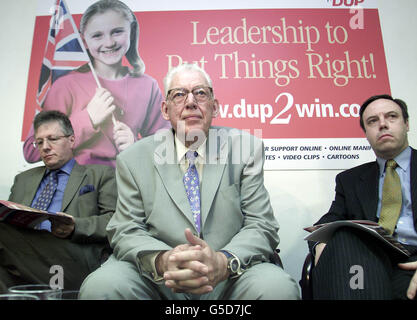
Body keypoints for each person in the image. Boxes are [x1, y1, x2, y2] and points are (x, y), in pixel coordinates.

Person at [79, 63, 299, 300]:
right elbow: (126, 228)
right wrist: (164, 261)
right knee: (101, 287)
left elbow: (261, 224)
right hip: (158, 279)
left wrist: (223, 261)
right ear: (165, 109)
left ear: (214, 107)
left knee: (278, 289)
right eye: (179, 94)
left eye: (201, 93)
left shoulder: (245, 149)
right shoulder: (133, 158)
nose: (191, 101)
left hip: (229, 277)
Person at [23, 0, 169, 167]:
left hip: (128, 183)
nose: (109, 43)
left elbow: (164, 148)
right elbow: (31, 150)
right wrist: (88, 118)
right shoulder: (66, 85)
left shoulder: (147, 85)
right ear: (84, 40)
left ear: (132, 31)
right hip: (79, 186)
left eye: (117, 32)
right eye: (97, 35)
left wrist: (137, 145)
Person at [309, 94, 417, 300]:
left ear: (407, 124)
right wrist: (320, 243)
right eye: (373, 121)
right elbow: (330, 220)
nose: (383, 124)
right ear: (366, 133)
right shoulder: (349, 180)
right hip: (368, 262)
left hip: (413, 263)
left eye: (391, 116)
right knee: (343, 236)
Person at [0, 110, 117, 293]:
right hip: (22, 255)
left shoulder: (100, 174)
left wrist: (75, 226)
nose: (45, 147)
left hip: (72, 257)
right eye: (39, 142)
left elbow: (116, 221)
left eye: (52, 139)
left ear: (71, 140)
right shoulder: (23, 179)